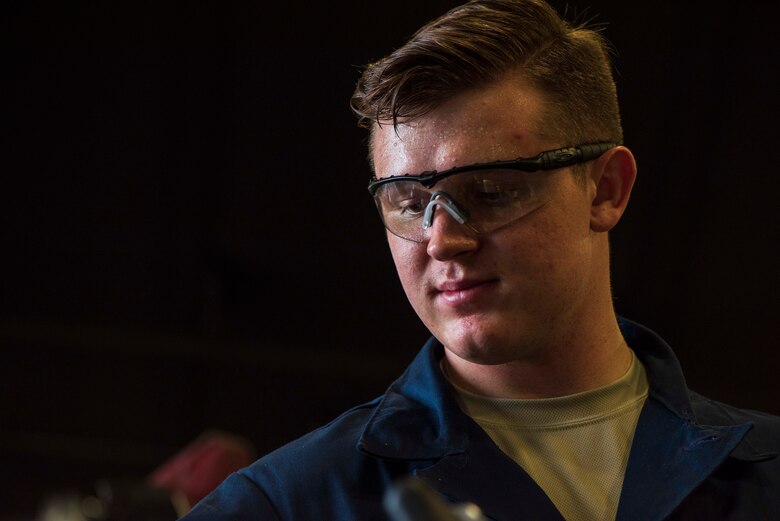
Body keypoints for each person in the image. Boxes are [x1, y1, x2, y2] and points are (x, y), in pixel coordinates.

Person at [179, 0, 780, 519]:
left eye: (491, 193)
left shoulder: (768, 477)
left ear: (605, 190)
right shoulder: (287, 504)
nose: (442, 240)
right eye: (410, 204)